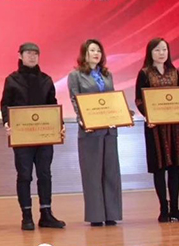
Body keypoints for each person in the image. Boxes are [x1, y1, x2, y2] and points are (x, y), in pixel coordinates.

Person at [0, 42, 66, 231]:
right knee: (24, 175)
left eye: (35, 53)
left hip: (44, 137)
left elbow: (52, 105)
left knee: (45, 174)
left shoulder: (46, 80)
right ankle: (26, 216)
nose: (32, 56)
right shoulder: (12, 80)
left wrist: (59, 125)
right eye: (28, 53)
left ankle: (46, 214)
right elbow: (5, 105)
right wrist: (7, 122)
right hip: (22, 137)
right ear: (20, 56)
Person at [134, 38, 179, 223]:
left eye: (164, 49)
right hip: (155, 128)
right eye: (157, 50)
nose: (161, 53)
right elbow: (139, 100)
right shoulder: (144, 73)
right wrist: (149, 116)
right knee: (159, 168)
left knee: (174, 168)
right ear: (150, 52)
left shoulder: (175, 72)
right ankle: (163, 209)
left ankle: (175, 208)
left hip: (175, 128)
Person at [68, 39, 123, 226]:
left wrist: (122, 113)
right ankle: (96, 216)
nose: (96, 54)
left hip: (109, 129)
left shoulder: (107, 75)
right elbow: (75, 100)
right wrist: (83, 119)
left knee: (111, 172)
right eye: (92, 50)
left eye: (99, 50)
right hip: (90, 130)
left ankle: (111, 214)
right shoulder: (75, 75)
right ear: (84, 53)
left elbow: (112, 99)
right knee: (92, 173)